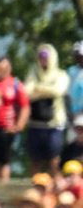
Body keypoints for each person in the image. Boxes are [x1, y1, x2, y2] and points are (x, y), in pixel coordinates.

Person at [25, 43, 70, 176]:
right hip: (35, 123)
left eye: (46, 57)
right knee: (35, 160)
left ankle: (55, 186)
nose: (43, 60)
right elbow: (26, 92)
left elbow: (58, 91)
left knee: (54, 159)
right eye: (40, 57)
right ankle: (35, 188)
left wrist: (38, 88)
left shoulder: (61, 75)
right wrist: (46, 89)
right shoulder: (33, 73)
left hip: (54, 123)